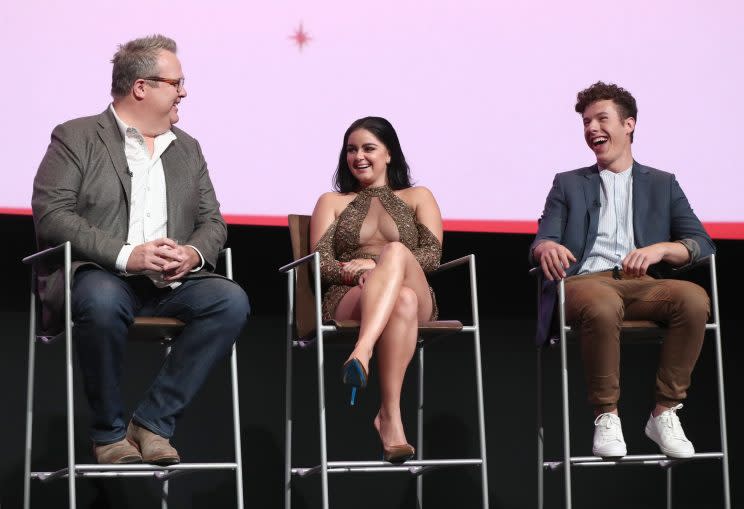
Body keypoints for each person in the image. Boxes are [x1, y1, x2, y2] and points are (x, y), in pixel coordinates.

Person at [32, 35, 250, 465]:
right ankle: (110, 435)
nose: (183, 92)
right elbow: (52, 214)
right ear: (141, 87)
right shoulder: (77, 136)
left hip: (171, 283)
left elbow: (213, 223)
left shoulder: (186, 148)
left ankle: (152, 422)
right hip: (102, 273)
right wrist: (126, 254)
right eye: (176, 83)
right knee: (101, 296)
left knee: (230, 300)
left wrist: (191, 253)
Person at [530, 82, 714, 459]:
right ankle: (607, 415)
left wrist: (662, 248)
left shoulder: (662, 183)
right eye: (586, 122)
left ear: (628, 124)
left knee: (694, 299)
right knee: (601, 303)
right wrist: (547, 246)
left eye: (602, 119)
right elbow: (541, 240)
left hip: (640, 284)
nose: (592, 128)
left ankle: (664, 413)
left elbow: (701, 243)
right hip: (584, 283)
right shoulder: (568, 183)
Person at [310, 117, 443, 463]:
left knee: (397, 255)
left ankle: (362, 351)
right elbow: (321, 265)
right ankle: (390, 417)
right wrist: (357, 275)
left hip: (411, 279)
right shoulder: (332, 202)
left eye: (369, 148)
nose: (358, 157)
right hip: (352, 291)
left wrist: (380, 264)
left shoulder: (418, 196)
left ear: (389, 154)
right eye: (351, 150)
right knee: (403, 300)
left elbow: (431, 255)